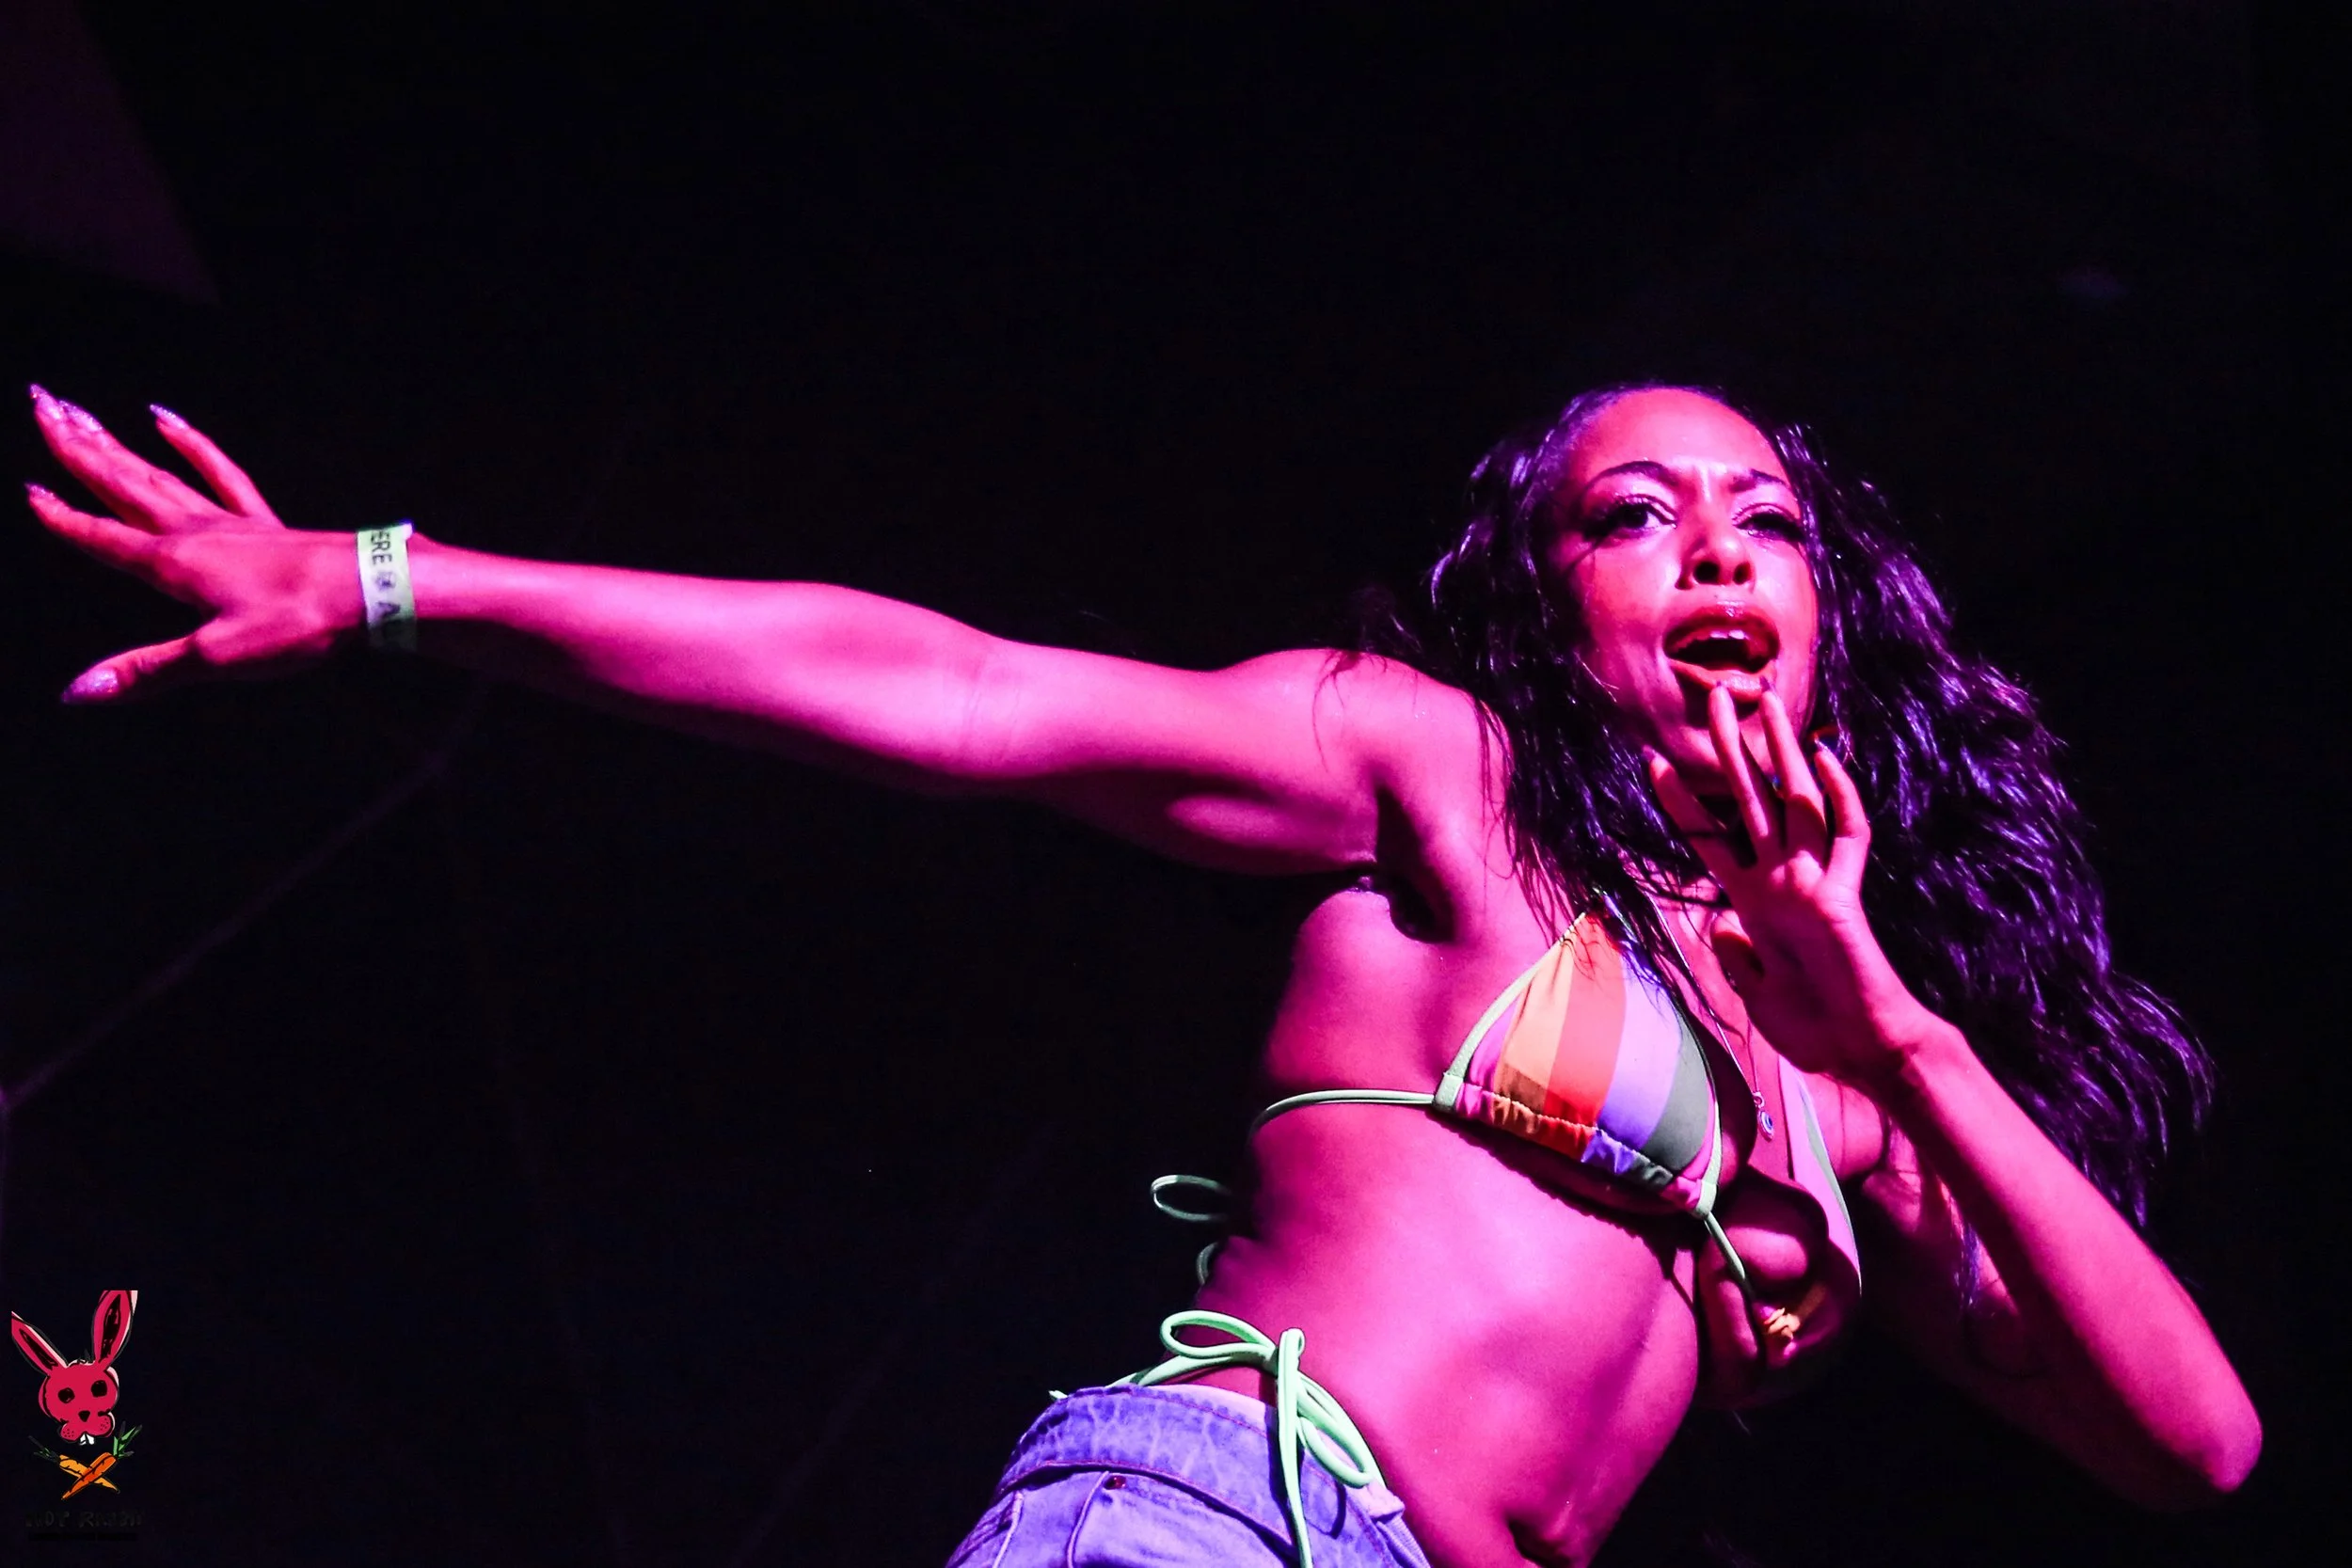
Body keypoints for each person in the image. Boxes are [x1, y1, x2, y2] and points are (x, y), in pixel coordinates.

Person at [23, 382, 2258, 1568]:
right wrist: (388, 577)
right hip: (1227, 1516)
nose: (1708, 546)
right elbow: (952, 686)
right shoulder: (1439, 771)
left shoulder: (1849, 1070)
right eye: (1630, 509)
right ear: (1551, 596)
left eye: (1760, 517)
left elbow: (2193, 1444)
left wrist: (1890, 1023)